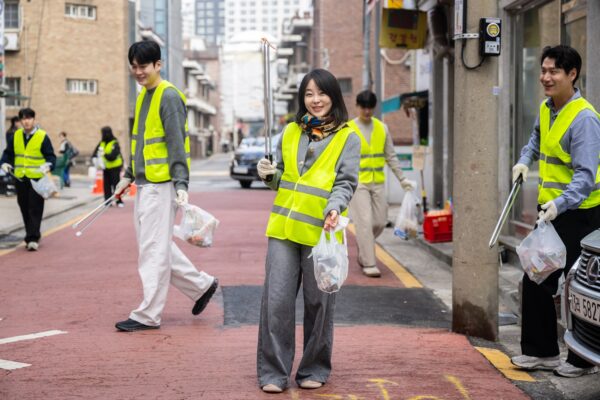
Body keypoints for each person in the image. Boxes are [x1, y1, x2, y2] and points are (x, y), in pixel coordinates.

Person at [255, 68, 361, 393]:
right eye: (309, 94)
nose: (316, 100)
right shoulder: (290, 132)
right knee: (276, 303)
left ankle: (314, 367)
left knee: (319, 304)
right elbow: (282, 178)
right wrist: (268, 174)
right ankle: (273, 373)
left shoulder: (347, 136)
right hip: (283, 230)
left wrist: (335, 206)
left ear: (334, 96)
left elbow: (345, 182)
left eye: (322, 93)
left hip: (320, 232)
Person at [112, 41, 218, 332]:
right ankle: (201, 286)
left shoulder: (169, 96)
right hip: (147, 184)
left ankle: (148, 314)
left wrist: (181, 182)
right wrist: (128, 175)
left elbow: (176, 145)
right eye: (133, 66)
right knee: (157, 247)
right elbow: (140, 144)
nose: (138, 72)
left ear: (158, 65)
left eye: (143, 66)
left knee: (152, 250)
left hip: (163, 186)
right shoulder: (145, 96)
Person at [510, 45, 600, 378]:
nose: (546, 78)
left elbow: (586, 177)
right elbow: (536, 139)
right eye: (544, 71)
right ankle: (541, 352)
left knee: (580, 287)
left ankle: (582, 360)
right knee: (536, 276)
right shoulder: (548, 108)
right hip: (551, 213)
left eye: (554, 72)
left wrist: (558, 205)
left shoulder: (585, 118)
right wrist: (523, 160)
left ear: (572, 74)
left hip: (582, 216)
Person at [347, 90, 417, 277]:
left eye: (370, 108)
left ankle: (364, 246)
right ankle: (369, 263)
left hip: (377, 183)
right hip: (357, 183)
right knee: (364, 222)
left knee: (378, 222)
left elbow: (391, 156)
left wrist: (402, 179)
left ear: (374, 107)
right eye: (363, 107)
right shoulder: (348, 129)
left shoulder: (382, 128)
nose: (367, 111)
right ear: (357, 107)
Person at [0, 108, 56, 251]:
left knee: (35, 208)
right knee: (24, 207)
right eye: (23, 119)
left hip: (37, 179)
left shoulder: (42, 136)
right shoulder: (16, 135)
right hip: (20, 178)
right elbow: (8, 153)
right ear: (20, 121)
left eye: (29, 118)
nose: (26, 121)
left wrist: (47, 165)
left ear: (33, 120)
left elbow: (51, 156)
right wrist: (4, 163)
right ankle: (30, 233)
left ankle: (33, 238)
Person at [91, 127, 124, 206]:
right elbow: (94, 153)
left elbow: (113, 156)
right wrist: (95, 159)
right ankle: (107, 201)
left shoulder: (114, 142)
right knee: (106, 185)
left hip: (115, 167)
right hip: (105, 167)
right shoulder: (102, 143)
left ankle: (118, 201)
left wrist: (104, 154)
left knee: (116, 185)